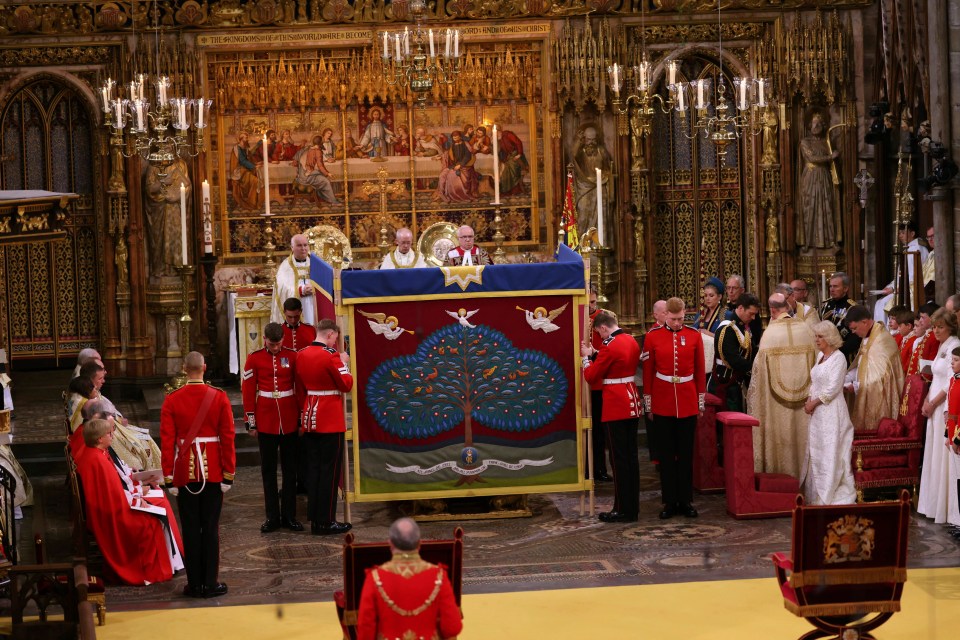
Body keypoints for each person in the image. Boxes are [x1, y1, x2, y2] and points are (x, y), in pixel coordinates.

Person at [160, 352, 235, 599]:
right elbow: (228, 438)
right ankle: (210, 583)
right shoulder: (219, 397)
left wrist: (168, 476)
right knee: (210, 528)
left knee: (190, 528)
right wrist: (228, 473)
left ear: (184, 368)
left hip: (184, 472)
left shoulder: (171, 399)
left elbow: (168, 441)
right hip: (213, 469)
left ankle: (194, 585)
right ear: (204, 367)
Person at [75, 419, 184, 586]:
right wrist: (139, 500)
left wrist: (137, 494)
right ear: (99, 439)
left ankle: (174, 559)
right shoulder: (99, 462)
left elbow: (114, 492)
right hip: (115, 516)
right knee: (153, 519)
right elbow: (113, 498)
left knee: (158, 502)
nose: (112, 436)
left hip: (114, 507)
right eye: (109, 434)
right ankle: (156, 568)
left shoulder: (97, 455)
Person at [641, 297, 705, 520]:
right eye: (674, 319)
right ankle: (669, 501)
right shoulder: (652, 337)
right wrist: (648, 403)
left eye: (681, 319)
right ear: (665, 315)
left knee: (686, 455)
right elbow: (648, 372)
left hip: (687, 401)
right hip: (663, 400)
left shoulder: (694, 335)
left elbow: (699, 371)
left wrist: (700, 402)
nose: (678, 323)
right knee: (666, 456)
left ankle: (685, 501)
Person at [356, 518, 462, 640]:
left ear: (390, 544)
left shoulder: (374, 577)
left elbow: (365, 632)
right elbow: (452, 627)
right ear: (419, 543)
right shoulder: (439, 575)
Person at [242, 322, 302, 533]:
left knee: (290, 471)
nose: (275, 348)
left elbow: (300, 388)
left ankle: (289, 516)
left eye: (278, 344)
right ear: (265, 339)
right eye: (272, 344)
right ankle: (272, 518)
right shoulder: (254, 358)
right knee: (268, 471)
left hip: (288, 416)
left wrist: (301, 417)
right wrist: (251, 421)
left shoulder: (293, 356)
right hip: (265, 419)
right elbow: (248, 391)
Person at [581, 311, 641, 522]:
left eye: (599, 332)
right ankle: (631, 506)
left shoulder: (609, 345)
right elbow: (616, 360)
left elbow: (591, 376)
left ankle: (623, 509)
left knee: (618, 461)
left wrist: (586, 358)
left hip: (616, 405)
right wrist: (596, 352)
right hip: (632, 401)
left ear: (604, 328)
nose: (600, 335)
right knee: (631, 459)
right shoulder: (630, 340)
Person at [294, 319, 353, 535]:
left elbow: (299, 386)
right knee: (329, 472)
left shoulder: (302, 354)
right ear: (330, 335)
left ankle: (315, 518)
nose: (336, 342)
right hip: (329, 417)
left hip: (310, 414)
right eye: (336, 338)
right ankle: (326, 521)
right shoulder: (331, 356)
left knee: (314, 471)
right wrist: (344, 362)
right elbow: (347, 384)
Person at [747, 293, 816, 477]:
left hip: (775, 405)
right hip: (805, 403)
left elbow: (758, 374)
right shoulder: (806, 330)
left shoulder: (770, 334)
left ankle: (778, 478)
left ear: (772, 310)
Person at [802, 321, 857, 505]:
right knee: (817, 449)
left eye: (820, 337)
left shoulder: (839, 358)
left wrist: (815, 403)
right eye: (816, 336)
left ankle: (828, 493)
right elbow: (815, 381)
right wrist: (809, 400)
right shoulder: (820, 356)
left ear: (830, 338)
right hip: (817, 411)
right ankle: (816, 493)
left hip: (831, 410)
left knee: (830, 449)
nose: (817, 340)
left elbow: (833, 388)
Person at [917, 310, 960, 524]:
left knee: (943, 459)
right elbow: (936, 376)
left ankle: (948, 511)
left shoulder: (954, 345)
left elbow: (951, 380)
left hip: (944, 404)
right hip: (933, 403)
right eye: (934, 326)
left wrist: (934, 403)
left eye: (940, 327)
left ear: (951, 327)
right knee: (933, 455)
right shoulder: (942, 346)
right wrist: (926, 400)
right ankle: (932, 505)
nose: (935, 330)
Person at [843, 305, 905, 432]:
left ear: (865, 322)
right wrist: (846, 378)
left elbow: (882, 376)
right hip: (864, 388)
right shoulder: (869, 335)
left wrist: (855, 386)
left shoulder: (881, 339)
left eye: (854, 328)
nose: (853, 332)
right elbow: (862, 364)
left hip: (880, 398)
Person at [797, 111, 841, 249]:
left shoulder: (826, 142)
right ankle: (809, 243)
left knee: (826, 205)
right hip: (810, 177)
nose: (816, 126)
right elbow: (811, 158)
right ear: (809, 125)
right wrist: (830, 157)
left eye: (819, 123)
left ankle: (829, 241)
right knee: (810, 207)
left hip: (824, 177)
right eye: (814, 123)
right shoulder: (805, 142)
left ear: (823, 125)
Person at [711, 293, 760, 412]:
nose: (753, 318)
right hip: (726, 384)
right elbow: (733, 359)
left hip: (736, 382)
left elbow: (753, 352)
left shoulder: (743, 328)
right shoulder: (727, 329)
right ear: (741, 308)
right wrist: (757, 367)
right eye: (751, 314)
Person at [143, 158, 191, 277]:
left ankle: (176, 270)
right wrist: (164, 182)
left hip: (175, 209)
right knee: (159, 240)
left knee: (176, 237)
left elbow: (187, 185)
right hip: (158, 210)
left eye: (170, 144)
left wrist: (177, 195)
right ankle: (160, 269)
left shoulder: (180, 165)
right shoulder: (153, 166)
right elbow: (149, 189)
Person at [872, 222, 929, 323]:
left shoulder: (916, 250)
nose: (900, 236)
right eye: (899, 233)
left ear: (912, 233)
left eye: (903, 233)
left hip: (912, 290)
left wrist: (895, 289)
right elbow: (901, 274)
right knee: (880, 302)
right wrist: (890, 286)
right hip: (904, 287)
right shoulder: (910, 249)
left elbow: (912, 276)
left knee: (882, 304)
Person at [585, 287, 612, 482]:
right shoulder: (576, 316)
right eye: (588, 303)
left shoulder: (604, 319)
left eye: (593, 302)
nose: (591, 307)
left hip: (599, 382)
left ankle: (600, 468)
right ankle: (585, 469)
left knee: (601, 430)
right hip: (583, 382)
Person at [572, 124, 613, 236]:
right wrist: (578, 142)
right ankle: (582, 245)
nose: (591, 142)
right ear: (584, 139)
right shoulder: (580, 152)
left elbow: (609, 169)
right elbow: (572, 159)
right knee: (583, 214)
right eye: (588, 139)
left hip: (600, 186)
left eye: (593, 139)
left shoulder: (601, 151)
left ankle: (599, 246)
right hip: (584, 188)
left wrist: (605, 177)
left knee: (602, 216)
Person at [271, 234, 316, 325]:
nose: (303, 248)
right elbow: (281, 287)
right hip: (297, 303)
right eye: (299, 245)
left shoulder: (315, 263)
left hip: (314, 304)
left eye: (305, 245)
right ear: (292, 247)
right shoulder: (286, 266)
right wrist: (301, 290)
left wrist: (315, 288)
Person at [820, 272, 861, 364]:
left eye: (835, 286)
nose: (832, 289)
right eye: (830, 286)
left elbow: (856, 336)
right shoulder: (826, 305)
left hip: (845, 356)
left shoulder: (852, 308)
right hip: (826, 354)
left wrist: (836, 352)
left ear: (845, 288)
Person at [434, 130, 479, 202]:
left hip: (464, 166)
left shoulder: (465, 144)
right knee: (442, 175)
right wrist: (441, 157)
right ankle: (441, 194)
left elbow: (467, 157)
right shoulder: (453, 145)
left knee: (451, 175)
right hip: (454, 165)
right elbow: (448, 154)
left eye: (456, 138)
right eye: (453, 138)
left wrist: (460, 165)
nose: (455, 140)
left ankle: (453, 195)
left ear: (460, 137)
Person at [292, 135, 339, 204]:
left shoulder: (305, 148)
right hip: (307, 177)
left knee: (320, 176)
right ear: (320, 143)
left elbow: (294, 162)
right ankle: (333, 201)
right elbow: (320, 165)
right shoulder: (317, 151)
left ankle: (319, 198)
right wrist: (328, 173)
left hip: (300, 177)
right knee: (326, 181)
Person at [945, 346, 960, 538]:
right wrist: (946, 436)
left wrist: (957, 439)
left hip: (959, 437)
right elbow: (951, 412)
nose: (952, 363)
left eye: (956, 360)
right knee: (958, 480)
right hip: (953, 434)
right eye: (952, 359)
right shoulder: (953, 380)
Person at [906, 302, 941, 383]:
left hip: (924, 381)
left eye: (923, 317)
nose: (920, 320)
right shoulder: (928, 335)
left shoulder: (933, 337)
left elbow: (931, 362)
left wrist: (924, 381)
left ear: (932, 318)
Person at [723, 275, 763, 343]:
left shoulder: (750, 308)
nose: (730, 291)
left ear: (742, 290)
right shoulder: (724, 308)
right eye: (728, 288)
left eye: (734, 288)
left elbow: (755, 335)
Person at [229, 131, 262, 210]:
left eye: (247, 137)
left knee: (257, 180)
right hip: (239, 171)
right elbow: (242, 160)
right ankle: (251, 202)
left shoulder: (245, 148)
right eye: (245, 137)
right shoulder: (237, 148)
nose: (247, 139)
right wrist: (254, 166)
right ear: (241, 139)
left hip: (246, 169)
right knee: (255, 181)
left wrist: (256, 163)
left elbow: (250, 157)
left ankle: (252, 201)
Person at [496, 127, 528, 196]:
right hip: (508, 157)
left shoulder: (508, 134)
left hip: (516, 156)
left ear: (500, 131)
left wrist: (519, 154)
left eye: (497, 132)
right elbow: (499, 151)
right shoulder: (498, 139)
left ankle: (515, 190)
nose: (496, 134)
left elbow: (518, 142)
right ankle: (507, 190)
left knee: (511, 168)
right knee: (504, 170)